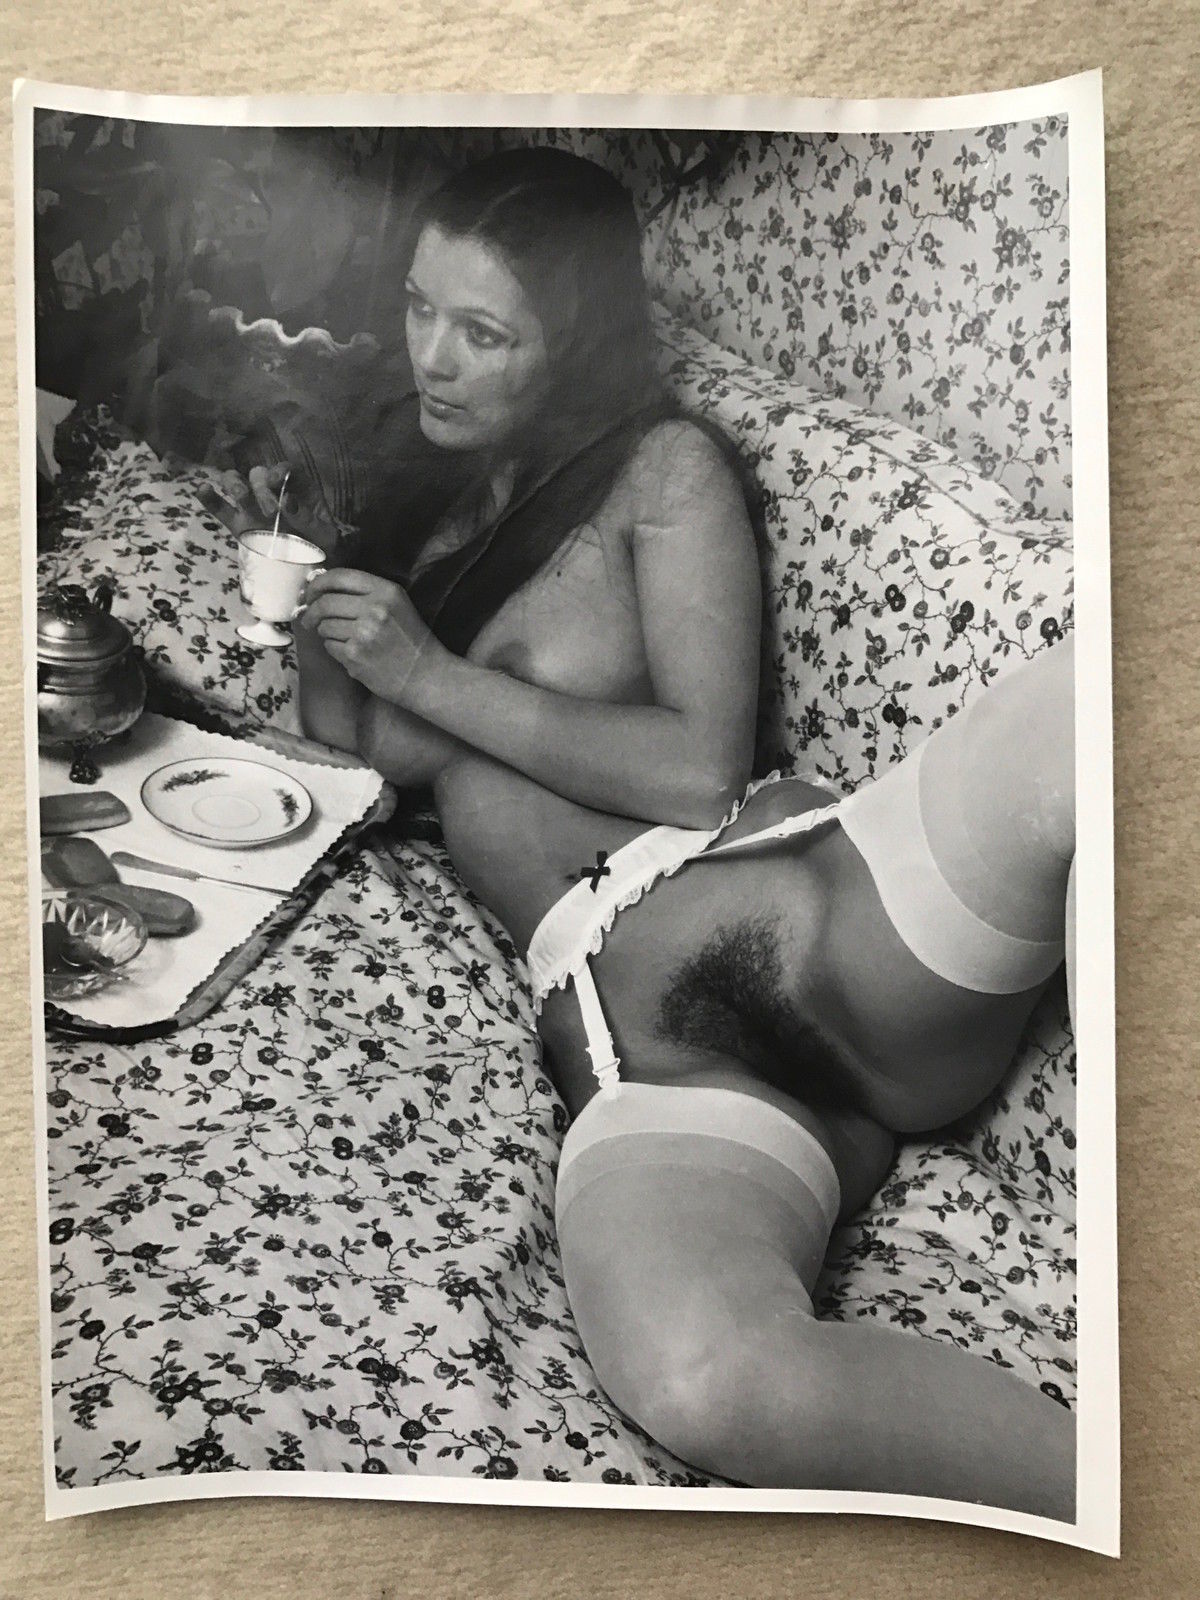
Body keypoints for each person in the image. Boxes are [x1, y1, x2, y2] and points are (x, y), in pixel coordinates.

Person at [427, 635, 1079, 1520]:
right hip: (661, 1077)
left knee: (1097, 702)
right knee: (706, 1376)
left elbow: (700, 769)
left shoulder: (625, 542)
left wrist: (418, 670)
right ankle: (1146, 1517)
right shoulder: (414, 620)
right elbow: (353, 731)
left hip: (826, 906)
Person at [282, 145, 762, 829]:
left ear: (578, 349)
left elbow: (706, 779)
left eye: (481, 334)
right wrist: (316, 594)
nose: (430, 359)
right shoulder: (457, 446)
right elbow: (364, 763)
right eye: (420, 306)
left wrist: (426, 676)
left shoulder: (669, 471)